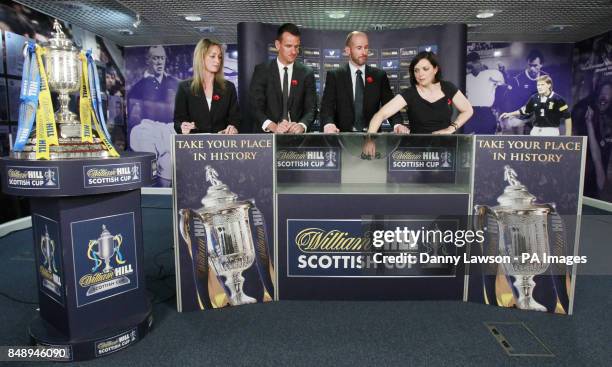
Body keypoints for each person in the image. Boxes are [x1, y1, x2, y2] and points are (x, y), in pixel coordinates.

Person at [366, 51, 472, 135]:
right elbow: (380, 115)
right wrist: (369, 141)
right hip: (417, 151)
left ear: (435, 69)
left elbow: (468, 110)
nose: (420, 74)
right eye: (416, 70)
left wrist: (451, 128)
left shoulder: (448, 87)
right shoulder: (410, 93)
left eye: (425, 69)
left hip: (446, 148)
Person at [319, 31, 403, 133]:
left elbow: (390, 105)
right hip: (343, 138)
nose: (364, 52)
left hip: (372, 138)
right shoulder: (335, 76)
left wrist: (397, 125)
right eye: (359, 48)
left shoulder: (379, 76)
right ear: (348, 50)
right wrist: (328, 124)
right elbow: (327, 107)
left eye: (366, 47)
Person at [249, 23, 317, 133]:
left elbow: (311, 108)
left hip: (297, 139)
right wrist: (273, 126)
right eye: (289, 46)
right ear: (277, 45)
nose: (294, 51)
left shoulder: (306, 73)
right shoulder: (262, 70)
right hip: (268, 140)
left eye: (296, 47)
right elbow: (255, 106)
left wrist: (301, 125)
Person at [174, 38, 240, 135]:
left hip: (222, 146)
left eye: (220, 57)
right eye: (212, 56)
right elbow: (178, 122)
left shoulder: (229, 87)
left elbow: (235, 120)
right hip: (195, 146)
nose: (217, 61)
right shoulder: (184, 87)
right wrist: (183, 127)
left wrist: (233, 128)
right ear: (201, 57)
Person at [500, 75, 572, 136]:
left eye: (542, 85)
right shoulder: (534, 97)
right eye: (538, 85)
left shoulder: (558, 99)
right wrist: (509, 114)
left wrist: (568, 135)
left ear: (549, 85)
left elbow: (567, 117)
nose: (539, 87)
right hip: (535, 130)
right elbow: (524, 111)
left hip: (551, 131)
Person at [464, 51, 505, 134]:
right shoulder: (467, 78)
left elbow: (503, 89)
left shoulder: (494, 74)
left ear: (478, 63)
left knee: (486, 140)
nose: (469, 70)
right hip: (471, 112)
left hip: (487, 112)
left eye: (471, 67)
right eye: (468, 67)